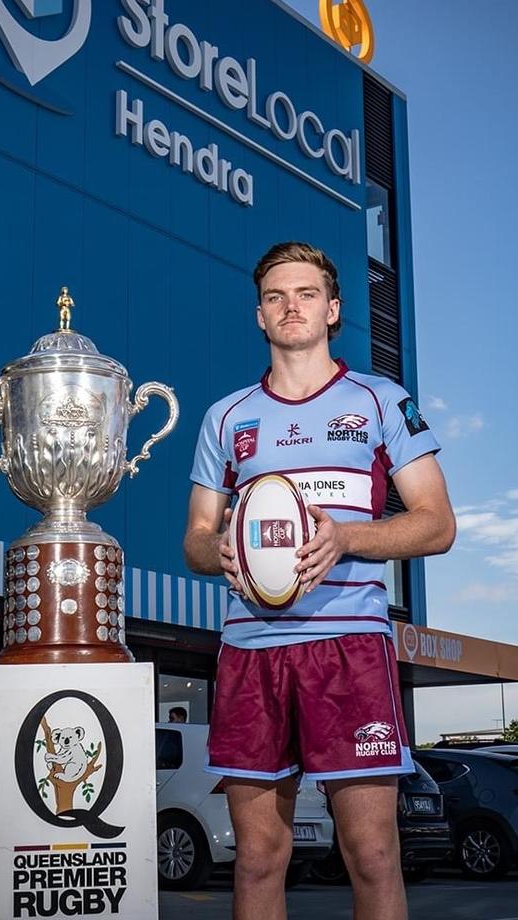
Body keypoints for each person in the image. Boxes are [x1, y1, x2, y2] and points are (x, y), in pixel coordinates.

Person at [184, 242, 455, 920]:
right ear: (260, 315)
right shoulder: (226, 416)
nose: (291, 307)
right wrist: (217, 550)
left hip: (349, 648)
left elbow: (437, 524)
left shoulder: (379, 401)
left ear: (332, 309)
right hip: (252, 651)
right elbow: (194, 535)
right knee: (256, 858)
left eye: (305, 294)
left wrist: (346, 537)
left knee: (372, 853)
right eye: (276, 297)